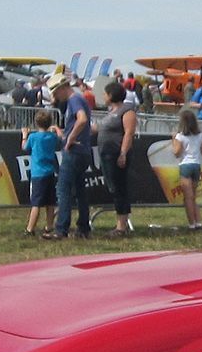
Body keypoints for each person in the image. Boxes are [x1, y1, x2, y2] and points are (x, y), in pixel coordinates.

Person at [47, 72, 93, 240]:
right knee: (80, 190)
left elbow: (82, 119)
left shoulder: (74, 100)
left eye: (55, 92)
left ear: (62, 88)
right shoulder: (78, 99)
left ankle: (61, 229)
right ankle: (83, 227)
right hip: (82, 150)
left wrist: (70, 139)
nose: (55, 96)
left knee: (63, 189)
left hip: (74, 150)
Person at [97, 81, 138, 237]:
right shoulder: (110, 112)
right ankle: (120, 223)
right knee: (114, 188)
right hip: (106, 154)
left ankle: (121, 226)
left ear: (112, 95)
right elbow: (100, 128)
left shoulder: (127, 111)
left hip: (116, 154)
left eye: (105, 93)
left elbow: (129, 133)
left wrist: (123, 153)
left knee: (119, 189)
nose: (103, 96)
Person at [21, 110, 61, 237]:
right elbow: (59, 140)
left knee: (36, 203)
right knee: (50, 202)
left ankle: (30, 228)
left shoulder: (33, 137)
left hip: (38, 174)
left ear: (36, 123)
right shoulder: (52, 137)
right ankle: (49, 226)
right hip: (50, 172)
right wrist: (57, 129)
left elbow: (24, 147)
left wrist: (24, 135)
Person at [172, 108, 202, 229]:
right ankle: (199, 222)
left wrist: (173, 140)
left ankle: (191, 224)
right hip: (196, 166)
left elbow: (177, 153)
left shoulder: (180, 136)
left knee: (187, 198)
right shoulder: (199, 136)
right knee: (193, 197)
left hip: (185, 165)